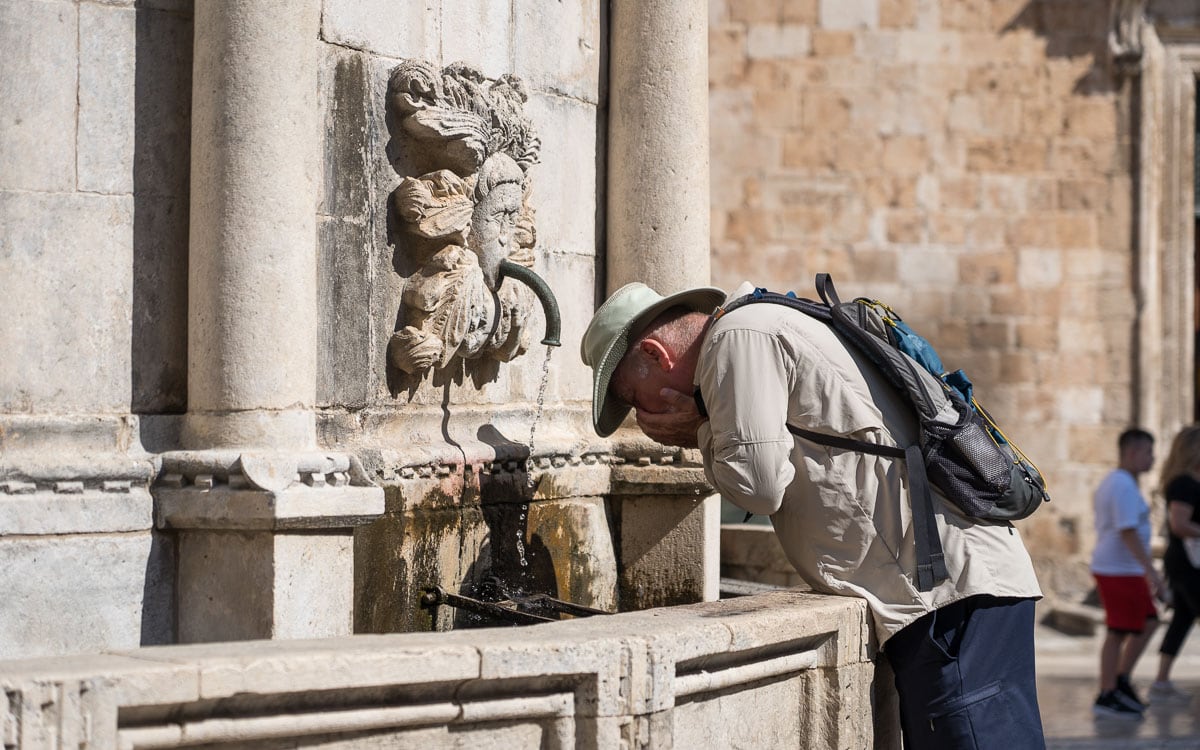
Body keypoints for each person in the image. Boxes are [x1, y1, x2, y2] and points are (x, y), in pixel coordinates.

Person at [581, 280, 1045, 749]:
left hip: (946, 600)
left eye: (637, 398)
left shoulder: (738, 337)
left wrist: (700, 430)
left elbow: (758, 486)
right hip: (949, 592)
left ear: (657, 355)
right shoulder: (762, 323)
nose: (644, 414)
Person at [1089, 427, 1162, 718]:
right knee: (1119, 631)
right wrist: (1151, 570)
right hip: (1119, 568)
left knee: (1149, 620)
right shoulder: (1121, 484)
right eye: (1148, 452)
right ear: (1131, 452)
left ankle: (1120, 681)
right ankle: (1108, 692)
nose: (1152, 458)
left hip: (1124, 568)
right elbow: (1127, 530)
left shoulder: (1122, 482)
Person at [1151, 425, 1200, 704]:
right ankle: (1161, 681)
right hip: (1188, 563)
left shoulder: (1190, 481)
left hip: (1185, 562)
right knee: (1183, 617)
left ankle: (1161, 680)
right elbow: (1179, 525)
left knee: (1181, 619)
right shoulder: (1183, 483)